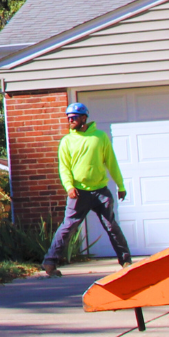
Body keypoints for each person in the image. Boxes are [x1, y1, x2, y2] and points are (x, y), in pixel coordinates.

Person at [43, 103, 132, 276]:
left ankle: (126, 260)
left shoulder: (100, 137)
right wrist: (69, 187)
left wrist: (120, 186)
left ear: (84, 118)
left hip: (100, 192)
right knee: (68, 227)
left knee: (111, 226)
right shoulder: (67, 141)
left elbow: (111, 162)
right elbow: (64, 168)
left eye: (74, 117)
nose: (70, 120)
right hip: (78, 192)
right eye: (68, 117)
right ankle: (50, 263)